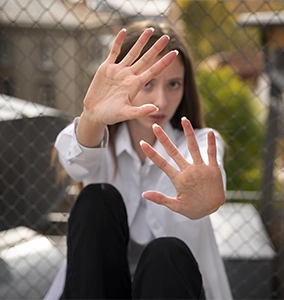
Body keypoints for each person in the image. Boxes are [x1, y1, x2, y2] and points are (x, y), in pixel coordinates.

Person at [52, 20, 233, 300]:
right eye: (147, 83)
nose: (161, 100)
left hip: (170, 290)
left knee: (167, 253)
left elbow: (213, 169)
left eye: (174, 84)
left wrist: (209, 198)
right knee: (96, 200)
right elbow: (74, 161)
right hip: (95, 289)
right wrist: (92, 117)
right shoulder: (100, 139)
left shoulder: (199, 143)